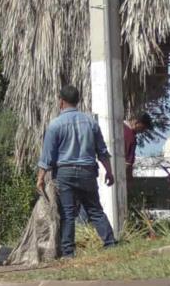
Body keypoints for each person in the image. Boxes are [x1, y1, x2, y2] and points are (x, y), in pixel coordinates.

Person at [36, 85, 116, 258]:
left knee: (67, 212)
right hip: (88, 172)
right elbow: (102, 151)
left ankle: (68, 252)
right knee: (95, 209)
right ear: (77, 100)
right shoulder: (90, 122)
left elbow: (47, 157)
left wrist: (40, 178)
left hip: (65, 173)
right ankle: (110, 243)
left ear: (61, 101)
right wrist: (109, 172)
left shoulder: (55, 125)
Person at [123, 112, 153, 183]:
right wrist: (129, 180)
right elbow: (128, 163)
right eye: (143, 128)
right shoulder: (130, 137)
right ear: (137, 122)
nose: (142, 131)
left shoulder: (118, 126)